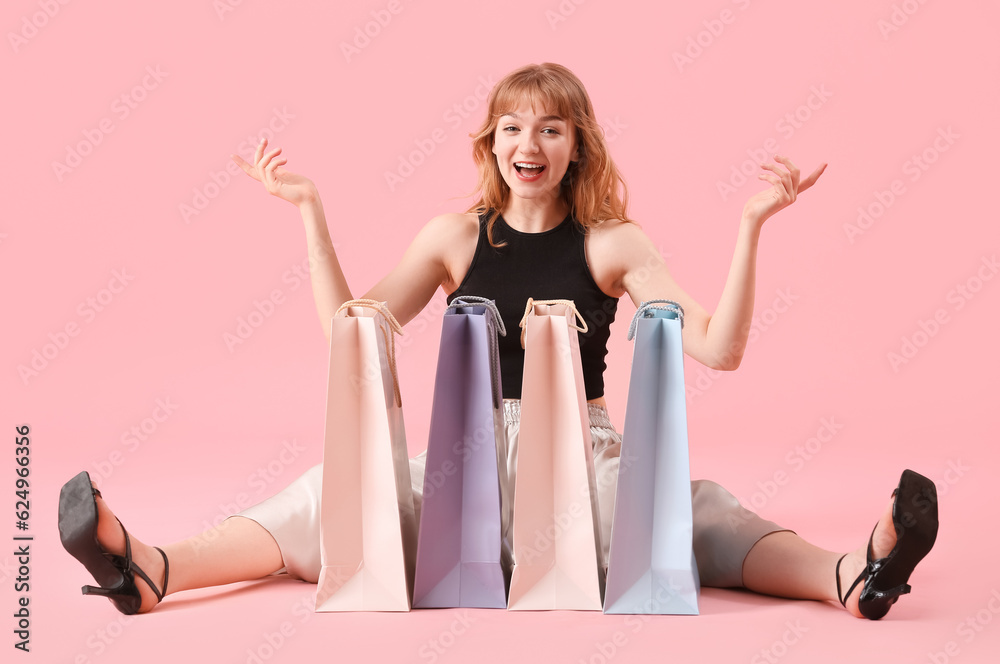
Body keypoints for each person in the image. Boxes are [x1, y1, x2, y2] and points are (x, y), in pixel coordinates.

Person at [58, 63, 938, 620]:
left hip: (583, 465)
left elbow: (717, 349)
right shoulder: (452, 235)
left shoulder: (612, 242)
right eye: (514, 125)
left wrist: (752, 227)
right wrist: (308, 213)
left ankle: (853, 575)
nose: (531, 141)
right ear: (492, 143)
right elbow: (355, 332)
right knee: (327, 495)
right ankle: (152, 567)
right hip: (461, 468)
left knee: (696, 510)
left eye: (552, 126)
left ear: (576, 146)